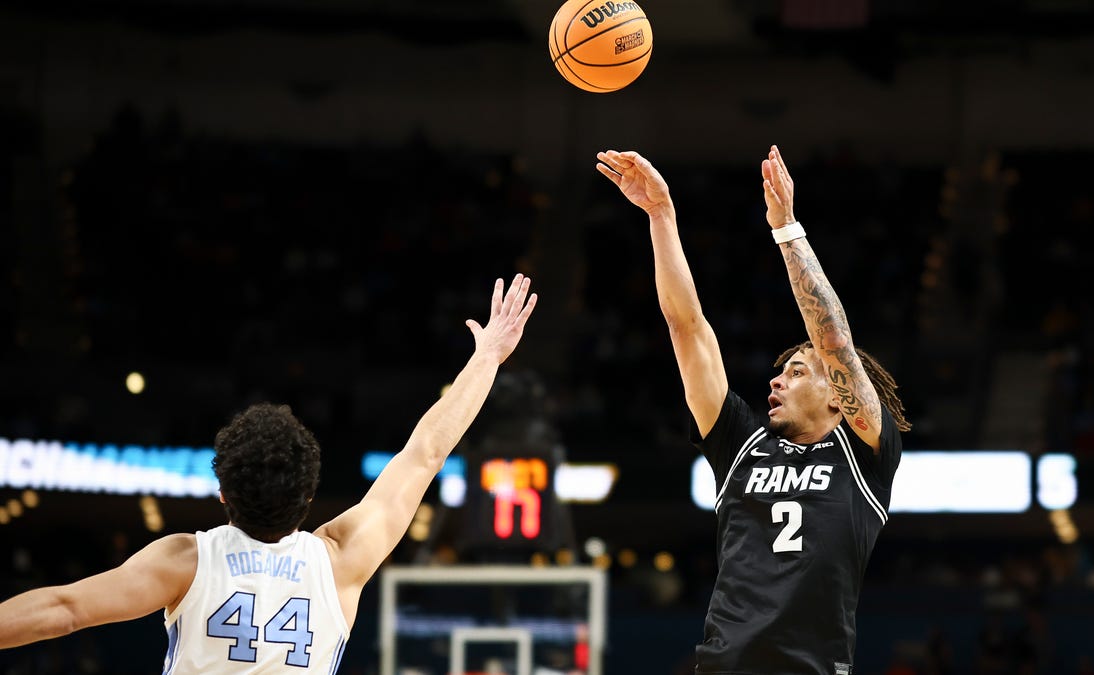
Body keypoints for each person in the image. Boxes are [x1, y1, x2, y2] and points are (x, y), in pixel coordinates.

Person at [0, 275, 538, 672]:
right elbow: (425, 453)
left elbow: (62, 609)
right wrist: (487, 355)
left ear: (221, 494)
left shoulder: (185, 561)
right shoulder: (340, 561)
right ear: (309, 500)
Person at [597, 147, 911, 675]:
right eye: (781, 370)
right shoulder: (741, 441)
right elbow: (687, 327)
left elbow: (833, 339)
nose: (777, 378)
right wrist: (661, 216)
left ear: (838, 394)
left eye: (798, 371)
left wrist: (786, 229)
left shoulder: (863, 454)